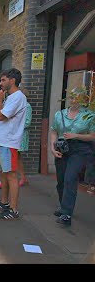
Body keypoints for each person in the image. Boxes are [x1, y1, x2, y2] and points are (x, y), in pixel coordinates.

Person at [49, 86, 95, 226]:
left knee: (70, 178)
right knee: (61, 180)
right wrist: (52, 147)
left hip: (80, 149)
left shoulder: (89, 116)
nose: (74, 100)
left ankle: (67, 214)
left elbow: (93, 136)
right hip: (62, 148)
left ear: (83, 100)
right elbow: (54, 131)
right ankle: (64, 206)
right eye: (72, 97)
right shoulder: (60, 114)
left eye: (77, 97)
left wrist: (76, 135)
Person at [0, 68, 27, 220]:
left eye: (3, 80)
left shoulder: (17, 97)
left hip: (8, 141)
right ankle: (4, 202)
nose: (0, 83)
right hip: (1, 139)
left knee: (11, 174)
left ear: (12, 80)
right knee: (3, 173)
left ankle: (13, 208)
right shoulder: (10, 97)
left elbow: (0, 116)